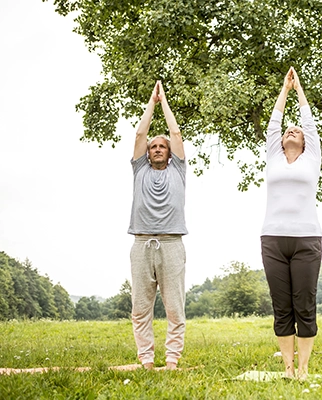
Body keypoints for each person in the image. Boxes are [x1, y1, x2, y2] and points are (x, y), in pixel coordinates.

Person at [261, 67, 322, 380]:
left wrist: (298, 89)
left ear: (304, 141)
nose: (290, 131)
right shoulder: (273, 155)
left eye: (295, 131)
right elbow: (274, 123)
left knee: (304, 303)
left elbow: (309, 123)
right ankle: (287, 368)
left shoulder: (313, 158)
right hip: (272, 239)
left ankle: (303, 368)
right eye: (287, 131)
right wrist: (283, 90)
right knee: (281, 305)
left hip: (306, 240)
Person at [128, 81, 187, 370]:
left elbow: (175, 132)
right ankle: (147, 361)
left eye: (163, 146)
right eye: (154, 146)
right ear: (148, 153)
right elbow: (140, 133)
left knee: (175, 307)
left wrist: (164, 102)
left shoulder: (178, 168)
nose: (159, 149)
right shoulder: (139, 168)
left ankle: (172, 360)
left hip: (172, 243)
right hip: (141, 244)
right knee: (140, 308)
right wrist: (151, 102)